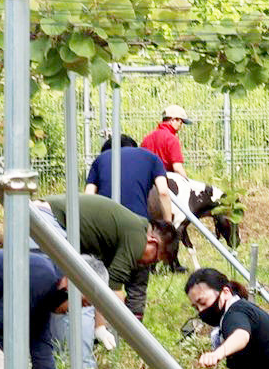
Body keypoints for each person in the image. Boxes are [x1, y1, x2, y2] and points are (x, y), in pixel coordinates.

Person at [39, 192, 178, 328]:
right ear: (152, 242)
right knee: (82, 311)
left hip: (46, 213)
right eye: (155, 259)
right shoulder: (137, 238)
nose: (150, 264)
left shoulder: (134, 227)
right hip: (50, 219)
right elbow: (111, 290)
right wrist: (113, 330)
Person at [85, 135, 173, 321]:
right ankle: (134, 327)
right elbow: (163, 192)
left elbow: (88, 196)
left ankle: (101, 325)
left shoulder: (100, 160)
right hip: (138, 226)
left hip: (104, 228)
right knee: (138, 282)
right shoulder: (150, 157)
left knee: (103, 276)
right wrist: (167, 225)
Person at [141, 104, 193, 179]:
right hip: (166, 182)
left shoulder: (147, 138)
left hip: (147, 181)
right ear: (173, 120)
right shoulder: (172, 139)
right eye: (180, 123)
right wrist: (188, 182)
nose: (180, 127)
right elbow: (177, 168)